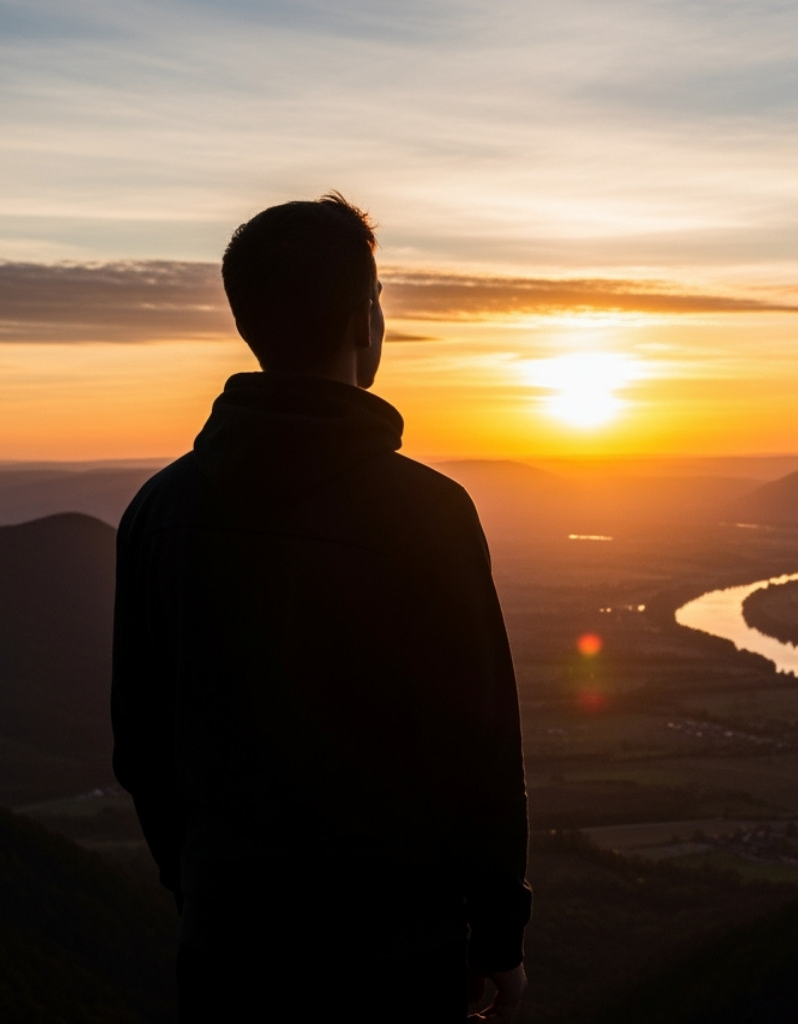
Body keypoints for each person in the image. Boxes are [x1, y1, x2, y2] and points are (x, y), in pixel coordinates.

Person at [111, 193, 530, 1022]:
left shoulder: (158, 513)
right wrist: (499, 941)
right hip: (396, 959)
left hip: (227, 953)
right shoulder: (429, 513)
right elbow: (477, 751)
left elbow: (143, 748)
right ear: (362, 317)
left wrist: (201, 890)